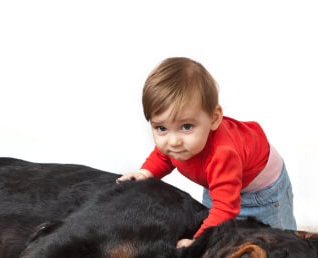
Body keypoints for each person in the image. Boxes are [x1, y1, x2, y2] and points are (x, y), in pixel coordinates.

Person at [117, 57, 297, 248]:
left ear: (214, 118)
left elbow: (225, 209)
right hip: (220, 181)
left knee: (275, 241)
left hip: (262, 192)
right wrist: (145, 173)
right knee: (215, 224)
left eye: (186, 126)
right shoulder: (180, 144)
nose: (173, 141)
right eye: (161, 128)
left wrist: (197, 243)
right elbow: (163, 156)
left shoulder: (223, 154)